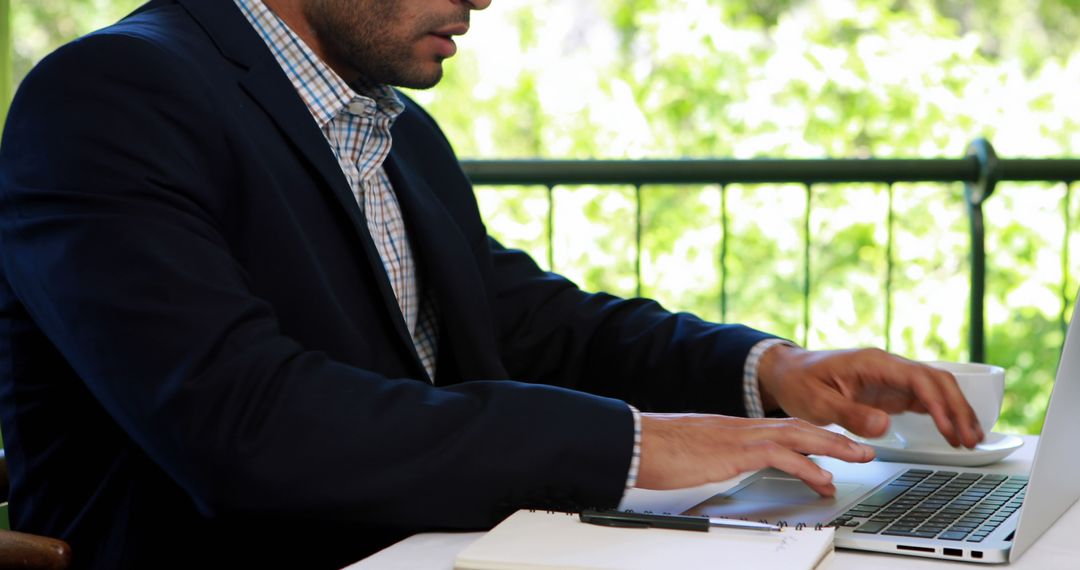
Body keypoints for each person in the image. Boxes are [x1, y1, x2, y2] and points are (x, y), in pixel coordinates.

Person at [0, 0, 982, 568]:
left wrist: (770, 369)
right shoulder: (110, 94)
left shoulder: (396, 130)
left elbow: (533, 324)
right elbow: (245, 423)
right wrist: (636, 447)